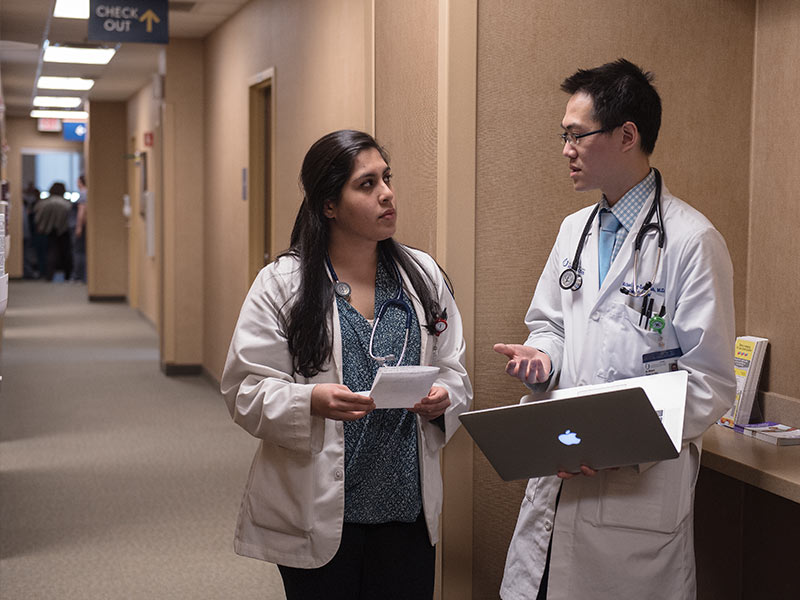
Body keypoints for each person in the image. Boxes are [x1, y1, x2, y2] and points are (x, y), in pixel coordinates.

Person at [494, 59, 735, 600]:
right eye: (564, 135)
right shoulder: (572, 231)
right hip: (560, 468)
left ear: (627, 135)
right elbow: (550, 324)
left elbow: (712, 380)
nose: (565, 149)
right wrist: (542, 358)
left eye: (577, 135)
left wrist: (617, 441)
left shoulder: (692, 241)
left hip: (635, 489)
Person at [221, 130, 472, 599]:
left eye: (386, 178)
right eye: (366, 184)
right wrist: (310, 399)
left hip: (405, 512)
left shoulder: (423, 278)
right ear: (329, 205)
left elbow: (454, 371)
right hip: (319, 512)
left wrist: (445, 400)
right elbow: (244, 390)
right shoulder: (282, 284)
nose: (387, 194)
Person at [34, 182, 73, 282]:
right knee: (66, 253)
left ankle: (49, 275)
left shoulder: (44, 203)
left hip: (50, 231)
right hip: (64, 231)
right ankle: (67, 275)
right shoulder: (67, 204)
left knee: (51, 252)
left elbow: (38, 217)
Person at [72, 174, 88, 282]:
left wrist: (79, 227)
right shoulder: (88, 193)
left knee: (79, 251)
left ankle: (79, 275)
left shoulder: (83, 194)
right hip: (86, 225)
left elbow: (81, 212)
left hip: (82, 225)